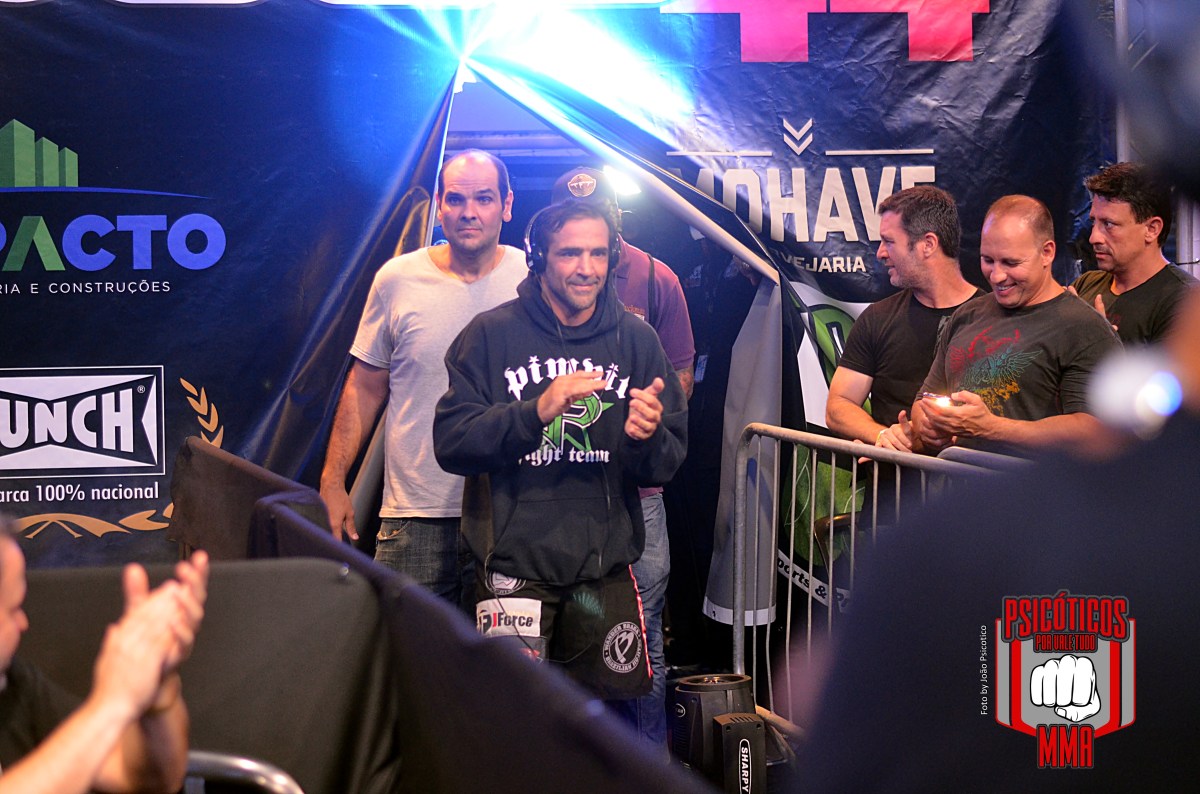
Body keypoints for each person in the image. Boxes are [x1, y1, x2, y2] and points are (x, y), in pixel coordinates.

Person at [432, 200, 687, 703]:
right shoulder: (490, 334)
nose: (586, 268)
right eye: (570, 253)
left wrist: (647, 437)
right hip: (513, 570)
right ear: (538, 258)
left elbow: (666, 462)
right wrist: (535, 412)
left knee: (608, 724)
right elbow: (453, 442)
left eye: (598, 253)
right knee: (510, 719)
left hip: (604, 574)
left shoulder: (637, 340)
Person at [319, 150, 526, 610]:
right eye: (456, 199)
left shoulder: (533, 279)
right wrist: (333, 481)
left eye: (484, 198)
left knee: (507, 657)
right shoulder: (397, 279)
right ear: (439, 204)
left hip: (511, 514)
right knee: (410, 653)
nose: (469, 212)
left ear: (507, 205)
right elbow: (365, 386)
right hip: (415, 517)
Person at [550, 166, 695, 749]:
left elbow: (679, 379)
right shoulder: (534, 284)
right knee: (564, 625)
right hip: (559, 493)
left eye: (600, 220)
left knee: (640, 630)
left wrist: (642, 425)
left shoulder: (657, 278)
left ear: (616, 220)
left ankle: (647, 766)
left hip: (638, 496)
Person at [0, 516, 208, 794]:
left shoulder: (12, 687)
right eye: (13, 609)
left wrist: (156, 682)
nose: (23, 623)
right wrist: (113, 704)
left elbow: (148, 777)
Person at [912, 195, 1120, 456]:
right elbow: (925, 398)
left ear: (1047, 253)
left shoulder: (1085, 329)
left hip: (1036, 483)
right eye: (988, 260)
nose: (997, 275)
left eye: (1011, 263)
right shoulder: (966, 315)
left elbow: (1095, 430)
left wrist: (992, 428)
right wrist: (928, 427)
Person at [826, 186, 982, 452]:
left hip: (970, 477)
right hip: (891, 477)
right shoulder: (877, 318)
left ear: (928, 245)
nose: (880, 253)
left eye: (889, 241)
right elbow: (838, 406)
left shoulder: (991, 320)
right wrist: (884, 435)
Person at [1069, 161, 1197, 344]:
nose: (1094, 238)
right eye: (1093, 222)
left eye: (1108, 224)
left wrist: (1097, 345)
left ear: (1151, 229)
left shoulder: (1186, 303)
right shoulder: (1086, 284)